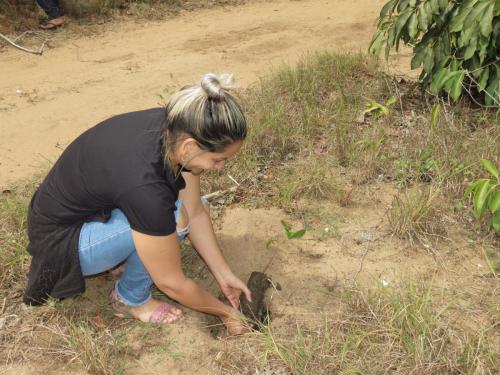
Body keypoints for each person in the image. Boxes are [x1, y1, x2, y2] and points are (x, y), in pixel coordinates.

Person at [23, 73, 252, 335]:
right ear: (190, 147)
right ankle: (131, 299)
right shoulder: (146, 187)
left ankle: (125, 254)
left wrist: (224, 275)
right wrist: (226, 313)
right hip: (62, 243)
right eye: (218, 159)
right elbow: (171, 283)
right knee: (175, 216)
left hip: (84, 212)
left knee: (184, 208)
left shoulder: (177, 126)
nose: (221, 167)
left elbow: (197, 211)